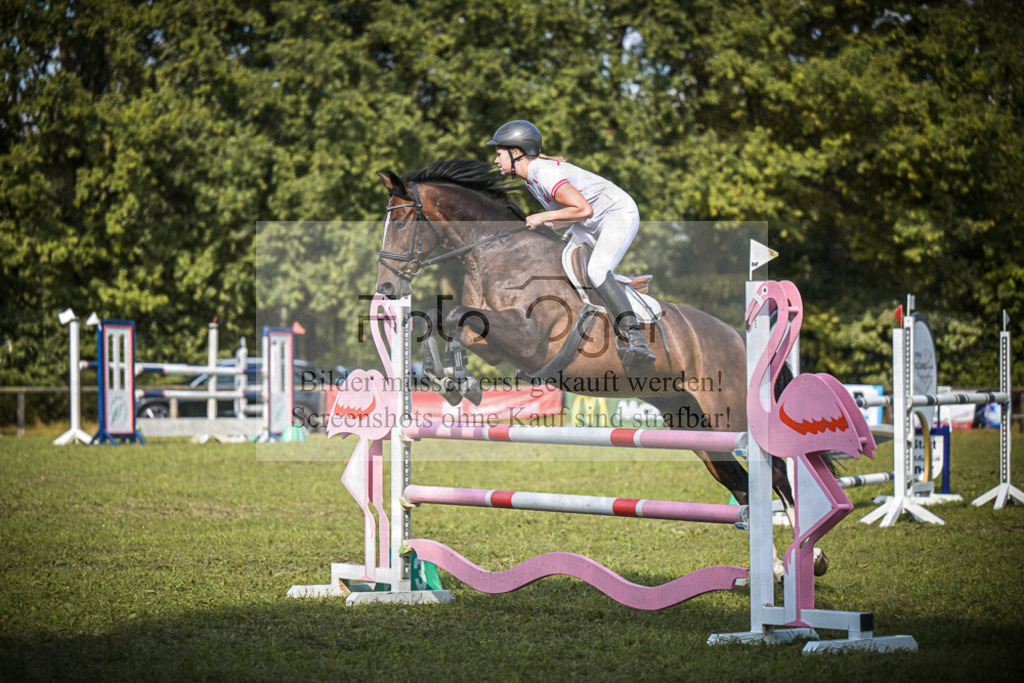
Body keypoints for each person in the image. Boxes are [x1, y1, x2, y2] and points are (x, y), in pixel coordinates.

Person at [486, 119, 656, 367]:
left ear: (516, 152)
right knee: (558, 262)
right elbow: (570, 215)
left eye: (499, 153)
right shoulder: (531, 180)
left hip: (617, 214)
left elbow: (583, 209)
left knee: (597, 271)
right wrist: (542, 225)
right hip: (588, 222)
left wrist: (542, 217)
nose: (495, 160)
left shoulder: (543, 172)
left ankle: (636, 339)